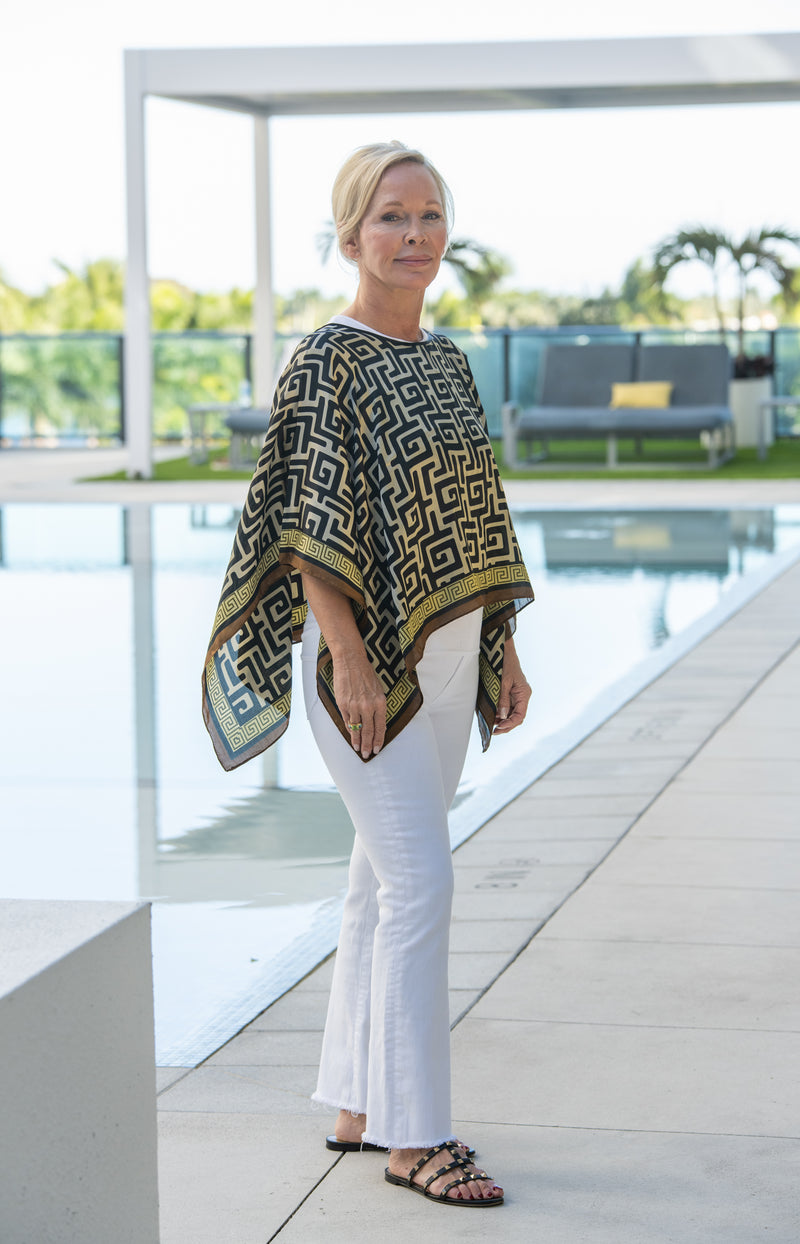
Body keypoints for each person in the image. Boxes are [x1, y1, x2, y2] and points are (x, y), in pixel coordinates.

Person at [203, 141, 534, 1207]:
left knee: (373, 883)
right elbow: (304, 527)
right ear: (350, 233)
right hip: (367, 668)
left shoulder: (444, 363)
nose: (414, 235)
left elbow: (475, 511)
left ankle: (354, 1098)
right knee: (419, 883)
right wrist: (344, 651)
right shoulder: (324, 360)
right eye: (391, 216)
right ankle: (413, 1134)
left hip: (445, 656)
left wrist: (501, 644)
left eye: (429, 215)